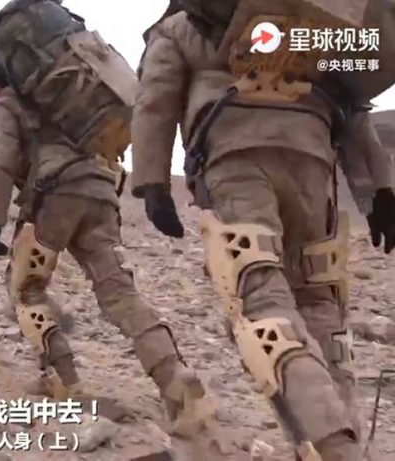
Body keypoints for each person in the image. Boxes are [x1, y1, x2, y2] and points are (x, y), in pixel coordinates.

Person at [131, 5, 395, 459]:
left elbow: (155, 99)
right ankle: (341, 432)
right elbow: (351, 105)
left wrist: (152, 182)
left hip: (235, 154)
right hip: (312, 154)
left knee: (259, 299)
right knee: (318, 298)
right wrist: (380, 190)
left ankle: (334, 446)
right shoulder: (314, 21)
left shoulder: (182, 26)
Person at [0, 61, 207, 433]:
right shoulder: (62, 98)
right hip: (101, 193)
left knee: (26, 289)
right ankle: (173, 376)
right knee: (119, 292)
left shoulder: (6, 105)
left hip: (54, 197)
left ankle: (65, 381)